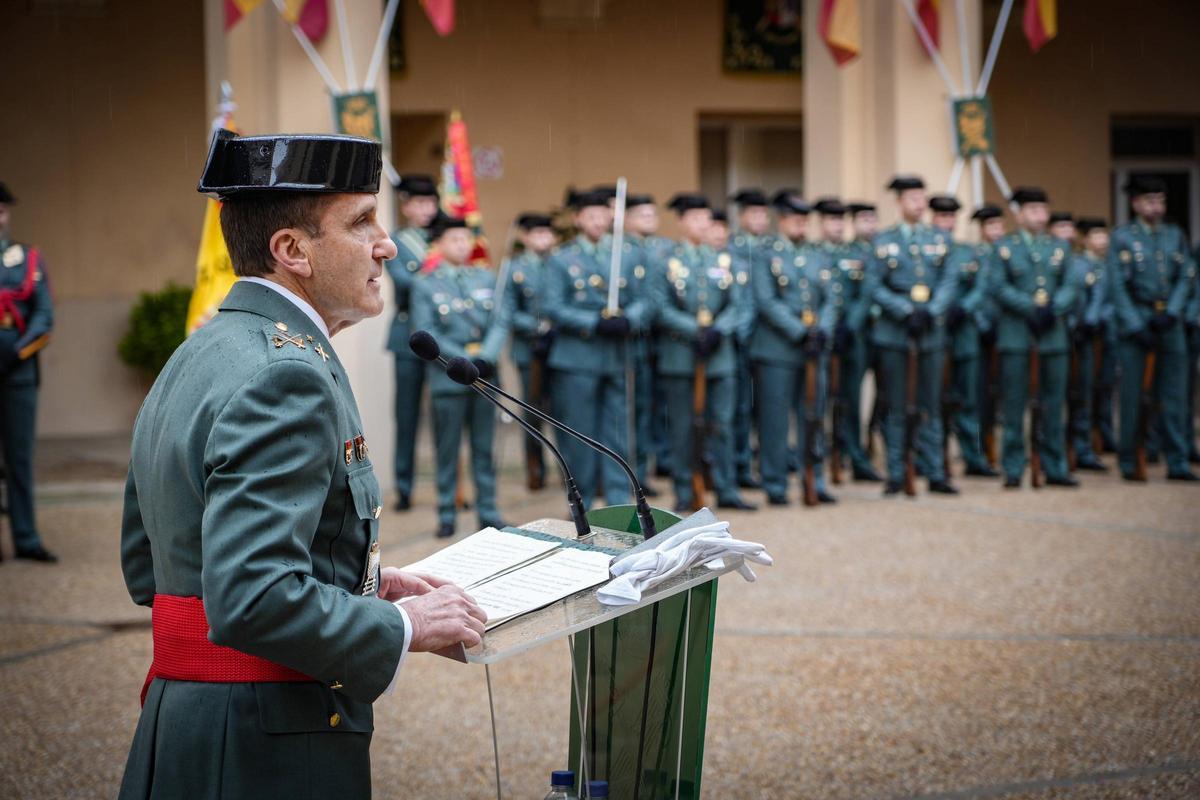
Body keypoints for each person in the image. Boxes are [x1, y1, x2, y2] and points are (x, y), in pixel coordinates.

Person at [119, 131, 487, 798]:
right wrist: (403, 625)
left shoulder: (205, 349)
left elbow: (153, 564)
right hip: (266, 744)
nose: (388, 244)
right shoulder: (285, 374)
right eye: (361, 222)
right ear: (292, 251)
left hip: (192, 719)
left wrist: (358, 586)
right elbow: (251, 595)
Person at [544, 189, 650, 508]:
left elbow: (647, 298)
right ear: (578, 219)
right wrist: (593, 322)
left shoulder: (627, 254)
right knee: (580, 434)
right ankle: (584, 502)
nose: (597, 221)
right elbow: (552, 306)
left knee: (619, 432)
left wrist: (630, 319)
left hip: (617, 355)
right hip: (578, 356)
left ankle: (619, 503)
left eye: (602, 215)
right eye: (590, 216)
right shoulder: (562, 258)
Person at [654, 193, 755, 512]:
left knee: (722, 424)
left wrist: (717, 330)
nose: (702, 225)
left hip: (718, 356)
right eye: (695, 218)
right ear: (682, 222)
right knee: (684, 427)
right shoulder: (667, 261)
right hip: (681, 357)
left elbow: (738, 305)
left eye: (706, 219)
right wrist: (691, 330)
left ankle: (726, 488)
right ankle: (685, 489)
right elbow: (660, 305)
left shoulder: (722, 261)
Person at [412, 217, 512, 537]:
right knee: (448, 449)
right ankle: (446, 511)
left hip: (484, 377)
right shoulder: (424, 284)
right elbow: (428, 331)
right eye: (454, 239)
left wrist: (486, 358)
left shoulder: (485, 277)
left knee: (485, 448)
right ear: (439, 244)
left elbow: (500, 321)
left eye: (465, 239)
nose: (462, 245)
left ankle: (489, 510)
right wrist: (467, 361)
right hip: (449, 380)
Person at [867, 176, 959, 496]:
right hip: (895, 332)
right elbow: (873, 286)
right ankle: (895, 472)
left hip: (931, 331)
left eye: (922, 198)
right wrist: (905, 310)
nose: (919, 204)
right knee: (896, 404)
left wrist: (931, 311)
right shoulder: (882, 241)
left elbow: (949, 280)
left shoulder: (941, 239)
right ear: (900, 202)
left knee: (930, 404)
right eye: (912, 199)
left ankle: (934, 471)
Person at [1108, 176, 1198, 482]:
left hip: (1169, 322)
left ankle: (1178, 460)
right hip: (1137, 322)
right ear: (1135, 203)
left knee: (1175, 394)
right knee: (1134, 396)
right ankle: (1131, 460)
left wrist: (1173, 311)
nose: (1156, 207)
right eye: (1150, 201)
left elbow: (1186, 275)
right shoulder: (1122, 237)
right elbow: (1117, 285)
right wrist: (1134, 324)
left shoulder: (1175, 235)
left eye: (1160, 200)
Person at [989, 186, 1079, 488]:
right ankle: (1013, 466)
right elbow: (998, 287)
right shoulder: (1004, 247)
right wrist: (1030, 308)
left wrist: (1054, 308)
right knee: (1015, 405)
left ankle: (1055, 465)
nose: (1039, 216)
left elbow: (1071, 284)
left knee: (1054, 404)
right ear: (1018, 213)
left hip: (1053, 335)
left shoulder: (1059, 247)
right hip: (1017, 334)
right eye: (1032, 210)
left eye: (1043, 210)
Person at [750, 190, 837, 505]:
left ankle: (816, 478)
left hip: (814, 350)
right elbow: (766, 300)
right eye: (797, 220)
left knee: (813, 416)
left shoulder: (818, 254)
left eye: (805, 220)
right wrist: (800, 331)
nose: (802, 226)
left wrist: (821, 329)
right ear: (783, 220)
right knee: (775, 420)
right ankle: (775, 483)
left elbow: (830, 299)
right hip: (778, 350)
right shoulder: (765, 254)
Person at [0, 182, 55, 562]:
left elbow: (44, 315)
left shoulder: (28, 260)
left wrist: (16, 351)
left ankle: (26, 537)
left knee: (19, 461)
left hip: (17, 374)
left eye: (1, 210)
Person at [929, 194, 995, 478]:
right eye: (941, 216)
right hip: (934, 332)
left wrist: (963, 308)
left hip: (964, 332)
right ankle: (932, 459)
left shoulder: (969, 252)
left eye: (951, 217)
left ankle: (974, 457)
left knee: (969, 399)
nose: (947, 222)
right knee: (932, 401)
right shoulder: (923, 250)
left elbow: (981, 287)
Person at [385, 174, 439, 511]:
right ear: (406, 207)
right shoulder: (396, 242)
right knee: (406, 415)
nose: (426, 210)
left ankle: (450, 489)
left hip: (439, 334)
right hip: (406, 335)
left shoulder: (444, 237)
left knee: (446, 414)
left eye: (430, 203)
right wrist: (436, 276)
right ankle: (404, 486)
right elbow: (403, 282)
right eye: (418, 203)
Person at [505, 212, 557, 491]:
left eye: (547, 233)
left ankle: (565, 469)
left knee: (561, 409)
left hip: (558, 348)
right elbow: (509, 312)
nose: (543, 238)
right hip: (529, 349)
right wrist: (538, 326)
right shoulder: (515, 269)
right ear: (525, 237)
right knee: (532, 410)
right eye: (537, 233)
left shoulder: (558, 265)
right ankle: (534, 468)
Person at [623, 193, 671, 494]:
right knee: (635, 407)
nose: (649, 220)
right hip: (633, 338)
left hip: (664, 337)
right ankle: (636, 472)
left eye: (653, 215)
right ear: (627, 219)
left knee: (660, 406)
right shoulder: (621, 251)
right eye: (642, 215)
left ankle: (661, 459)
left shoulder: (666, 249)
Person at [729, 189, 772, 489]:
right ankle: (741, 463)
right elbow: (738, 297)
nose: (759, 219)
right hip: (742, 338)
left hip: (771, 338)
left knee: (768, 406)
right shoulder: (732, 249)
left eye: (763, 214)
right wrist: (741, 331)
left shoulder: (773, 248)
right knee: (741, 406)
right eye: (753, 213)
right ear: (742, 217)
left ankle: (768, 463)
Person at [1067, 217, 1112, 472]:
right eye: (1096, 235)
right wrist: (1080, 324)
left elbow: (1110, 296)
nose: (1103, 240)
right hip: (1079, 336)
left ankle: (1097, 440)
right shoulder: (1076, 264)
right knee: (1079, 394)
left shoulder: (1108, 265)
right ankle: (1078, 446)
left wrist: (1097, 319)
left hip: (1102, 335)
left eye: (1104, 234)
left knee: (1101, 390)